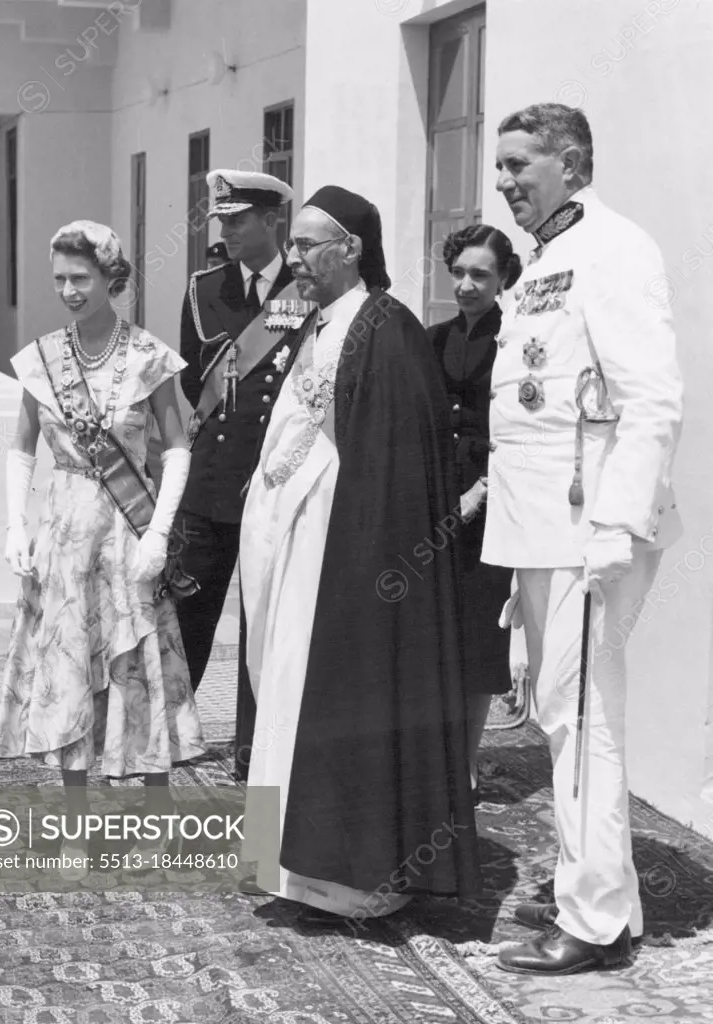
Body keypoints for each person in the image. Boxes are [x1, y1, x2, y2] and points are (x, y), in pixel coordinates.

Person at [239, 185, 481, 925]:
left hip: (354, 560)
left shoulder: (386, 328)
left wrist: (365, 565)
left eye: (310, 245)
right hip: (304, 547)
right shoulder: (319, 324)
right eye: (295, 245)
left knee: (346, 703)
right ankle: (293, 865)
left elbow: (395, 469)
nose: (295, 259)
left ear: (350, 249)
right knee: (284, 692)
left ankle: (357, 879)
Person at [483, 103, 683, 974]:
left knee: (580, 722)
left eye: (519, 164)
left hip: (586, 530)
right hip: (540, 529)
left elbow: (651, 400)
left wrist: (613, 525)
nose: (503, 181)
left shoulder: (612, 249)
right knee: (569, 718)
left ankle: (594, 922)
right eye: (499, 166)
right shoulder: (546, 261)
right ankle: (612, 905)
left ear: (569, 163)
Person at [0, 220, 206, 876]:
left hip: (126, 535)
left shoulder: (148, 356)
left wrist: (161, 533)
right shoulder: (42, 359)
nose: (68, 290)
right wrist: (13, 524)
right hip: (63, 536)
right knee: (66, 674)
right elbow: (21, 447)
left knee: (138, 668)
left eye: (80, 278)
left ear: (112, 277)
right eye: (59, 278)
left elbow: (176, 448)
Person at [175, 171, 309, 777]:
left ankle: (255, 750)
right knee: (188, 615)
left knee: (266, 621)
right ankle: (171, 735)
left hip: (275, 478)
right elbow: (188, 380)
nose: (227, 231)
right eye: (222, 221)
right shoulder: (204, 288)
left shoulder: (306, 289)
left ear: (273, 221)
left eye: (238, 220)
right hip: (210, 481)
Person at [427, 225, 523, 800]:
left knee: (478, 638)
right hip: (435, 504)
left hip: (493, 507)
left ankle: (464, 762)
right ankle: (429, 757)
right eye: (459, 272)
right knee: (432, 631)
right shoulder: (431, 340)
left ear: (503, 279)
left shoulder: (518, 342)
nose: (466, 285)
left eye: (480, 275)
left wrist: (479, 492)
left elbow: (520, 434)